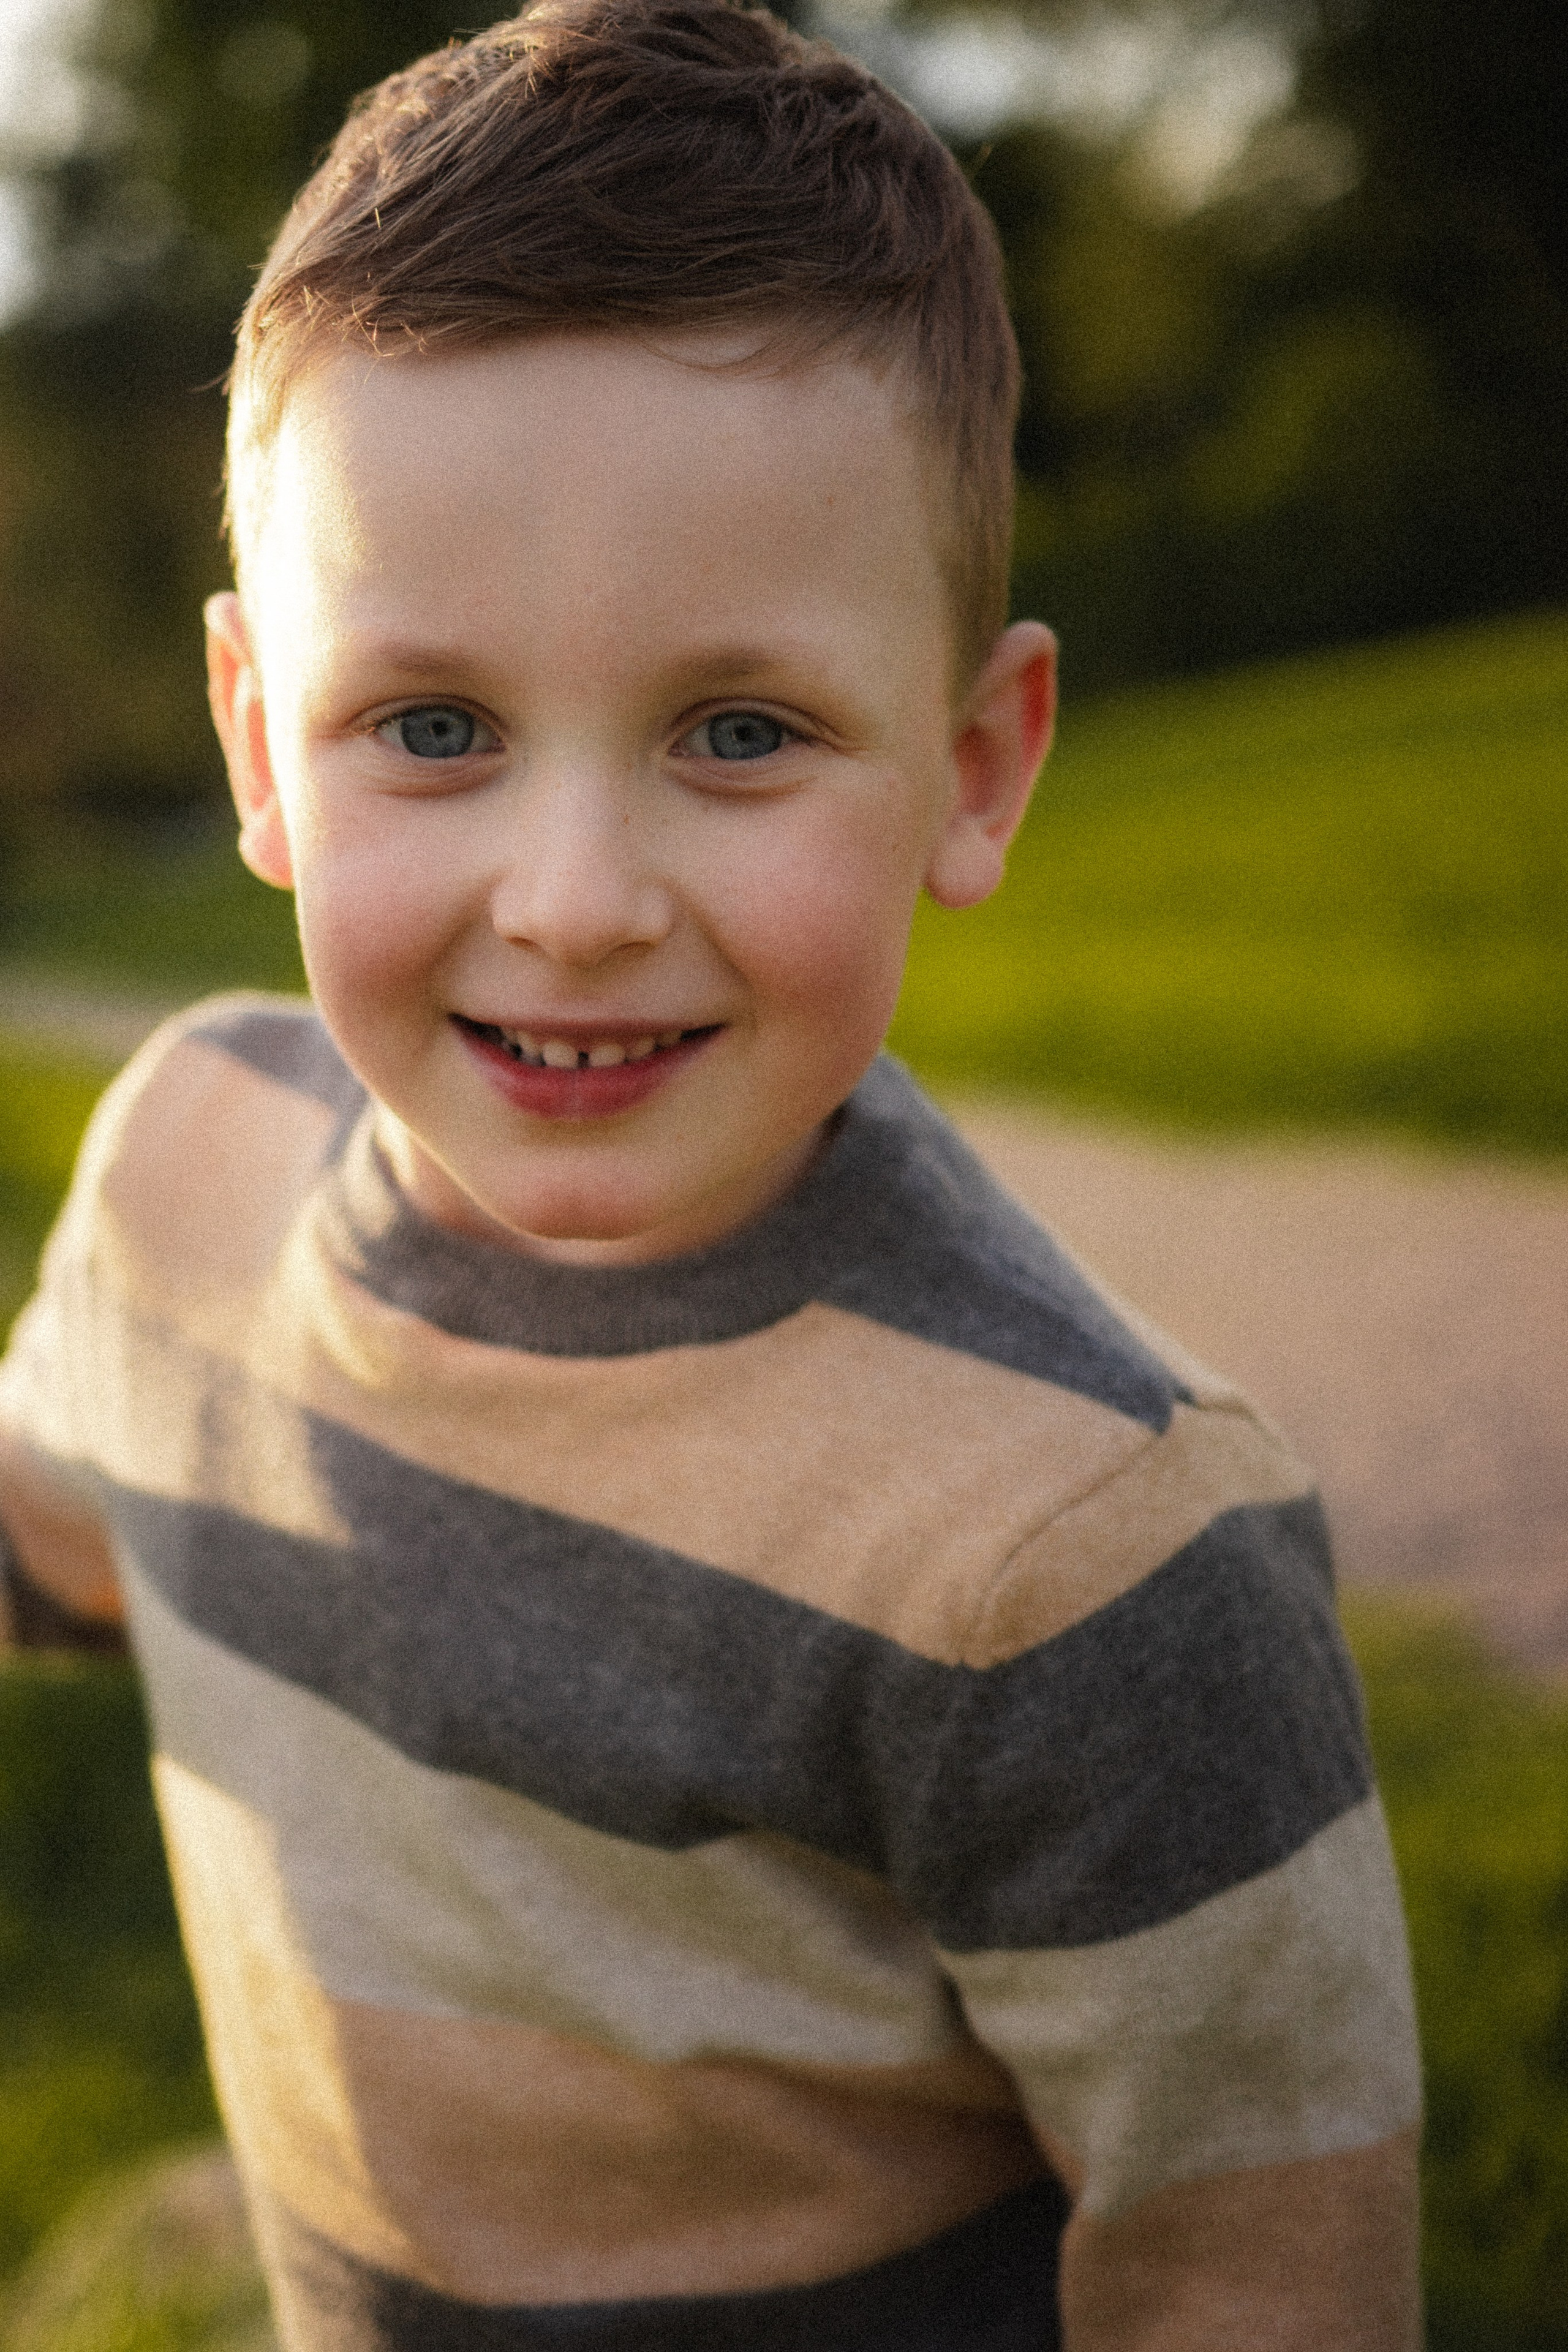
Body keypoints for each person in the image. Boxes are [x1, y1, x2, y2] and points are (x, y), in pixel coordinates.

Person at [0, 2, 1422, 2344]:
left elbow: (1259, 2285)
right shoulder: (191, 1172)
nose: (571, 898)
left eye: (737, 730)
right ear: (264, 746)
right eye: (430, 727)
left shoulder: (1085, 1559)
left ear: (973, 768)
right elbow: (65, 1523)